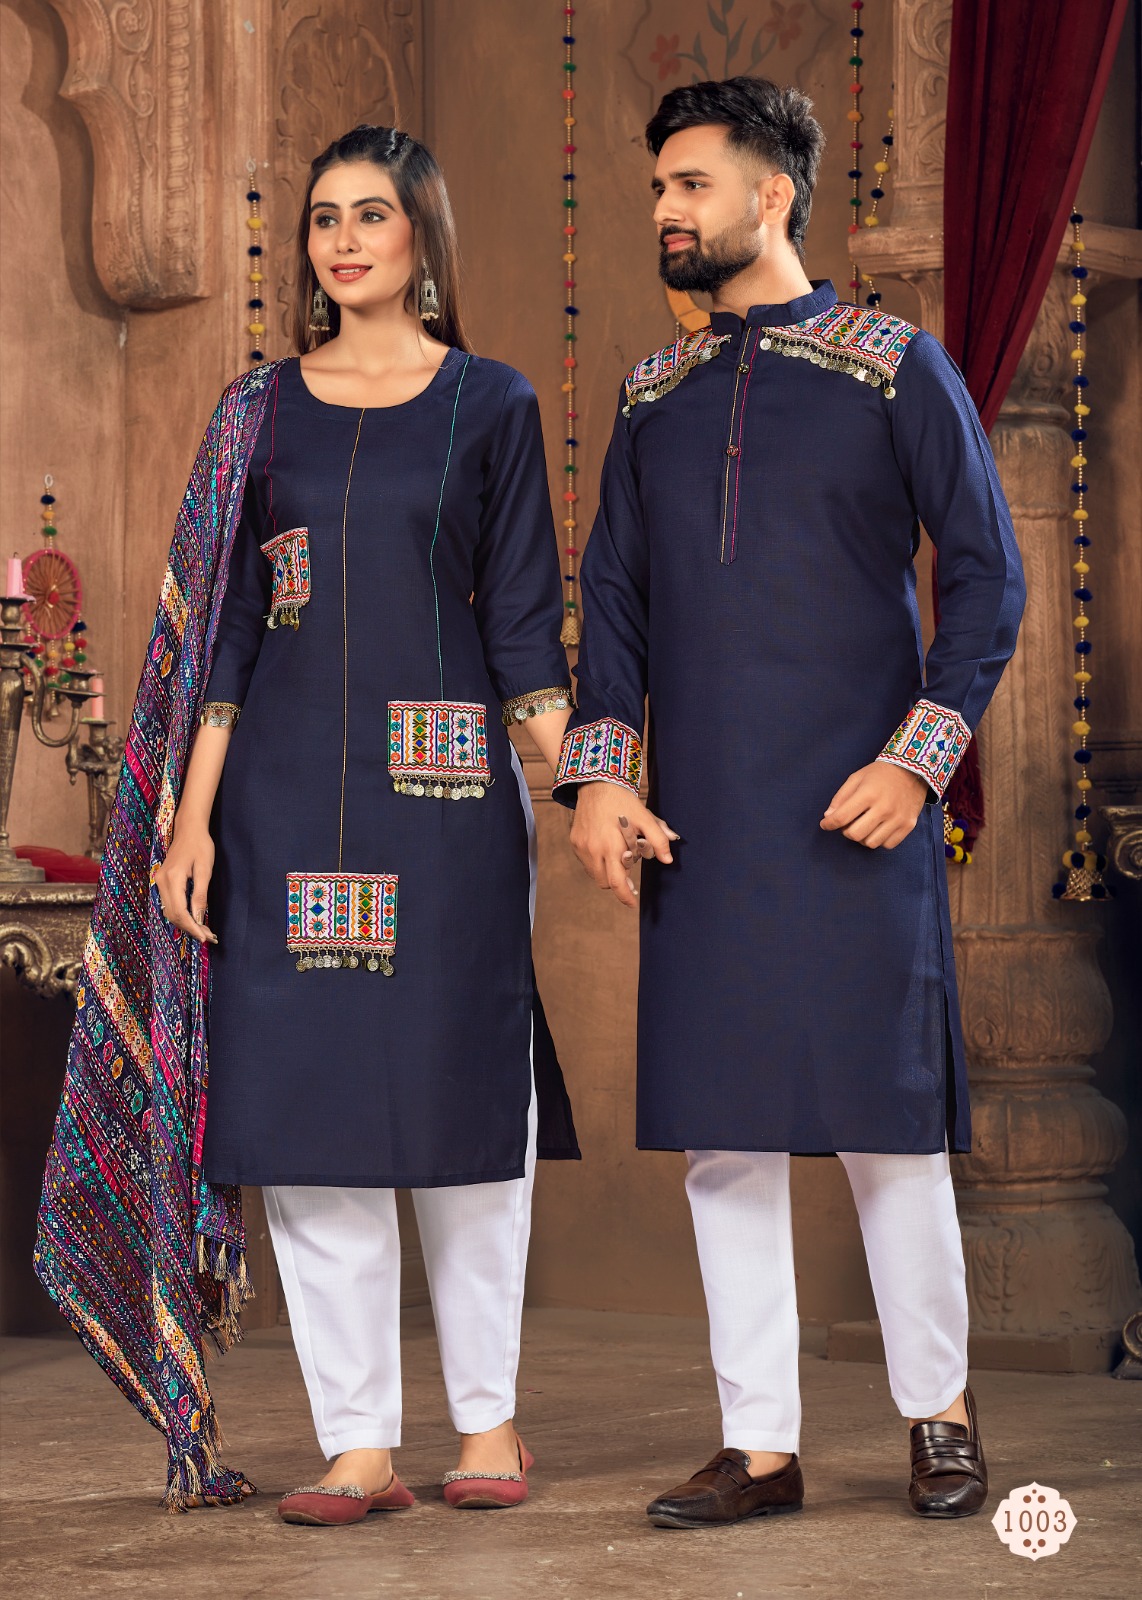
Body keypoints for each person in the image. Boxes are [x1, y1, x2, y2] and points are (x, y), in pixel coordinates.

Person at [36, 124, 577, 1521]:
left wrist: (590, 785)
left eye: (371, 215)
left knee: (469, 1098)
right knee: (310, 1112)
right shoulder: (256, 414)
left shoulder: (491, 405)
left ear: (422, 236)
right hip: (279, 804)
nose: (343, 240)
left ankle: (489, 1424)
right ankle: (358, 1443)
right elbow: (222, 637)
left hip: (448, 806)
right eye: (324, 218)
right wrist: (191, 824)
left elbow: (525, 633)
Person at [555, 77, 1025, 1527]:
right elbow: (612, 602)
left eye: (689, 184)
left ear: (772, 196)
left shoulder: (894, 368)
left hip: (858, 810)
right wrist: (600, 776)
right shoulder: (652, 394)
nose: (664, 209)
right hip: (703, 819)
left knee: (890, 1128)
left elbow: (988, 576)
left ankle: (940, 1417)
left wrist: (918, 759)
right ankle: (758, 1445)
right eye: (657, 187)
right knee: (726, 1139)